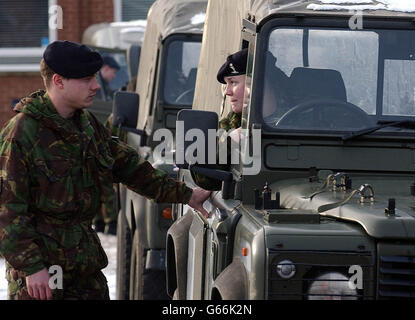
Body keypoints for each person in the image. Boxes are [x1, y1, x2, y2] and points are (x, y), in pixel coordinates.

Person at [0, 40, 210, 300]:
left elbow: (130, 167)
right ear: (59, 81)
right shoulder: (22, 133)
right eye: (87, 79)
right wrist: (31, 267)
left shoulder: (86, 126)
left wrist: (186, 194)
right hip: (44, 270)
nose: (96, 86)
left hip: (84, 266)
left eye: (95, 78)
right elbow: (8, 211)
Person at [193, 48, 248, 191]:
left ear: (253, 82)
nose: (227, 92)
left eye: (233, 82)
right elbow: (205, 179)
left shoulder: (304, 120)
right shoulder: (231, 123)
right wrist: (230, 142)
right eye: (226, 84)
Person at [93, 76, 137, 235]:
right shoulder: (117, 117)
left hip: (120, 161)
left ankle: (104, 222)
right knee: (106, 191)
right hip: (115, 161)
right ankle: (106, 222)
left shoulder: (118, 116)